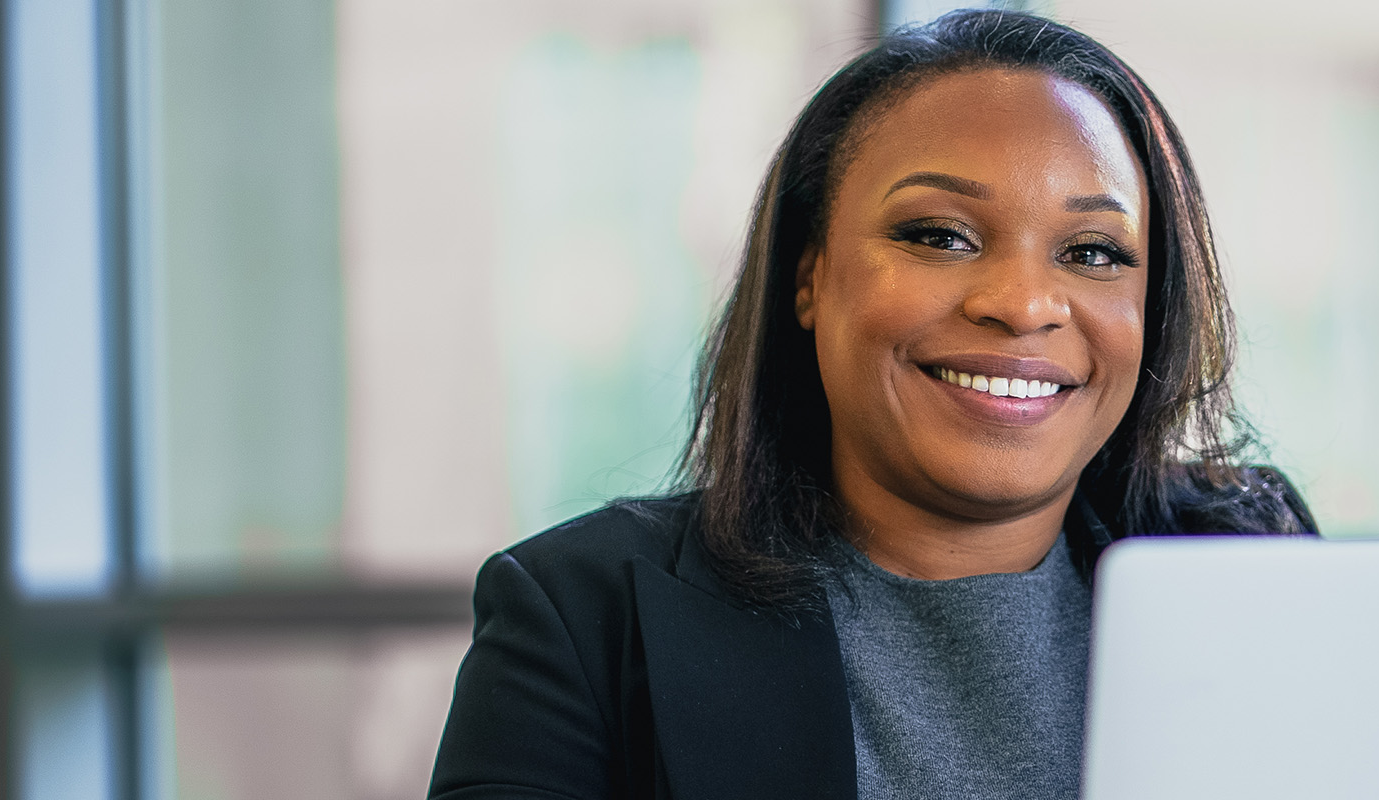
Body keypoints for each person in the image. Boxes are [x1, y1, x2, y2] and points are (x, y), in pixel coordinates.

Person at [426, 10, 1314, 800]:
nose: (1024, 301)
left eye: (1092, 252)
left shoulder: (1256, 567)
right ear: (808, 274)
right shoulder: (581, 617)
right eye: (938, 235)